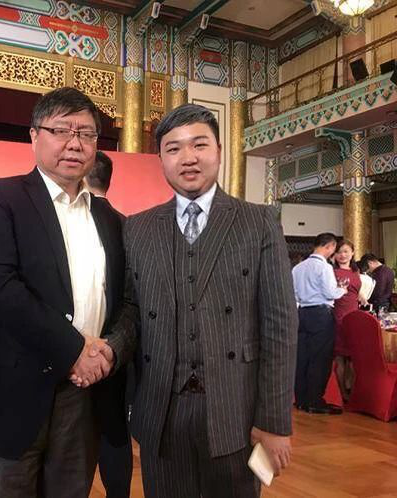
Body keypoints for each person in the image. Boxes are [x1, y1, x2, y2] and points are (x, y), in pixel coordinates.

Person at [0, 87, 130, 498]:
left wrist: (106, 352)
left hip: (84, 393)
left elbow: (124, 300)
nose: (75, 143)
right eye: (61, 130)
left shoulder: (110, 219)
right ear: (34, 135)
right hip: (11, 388)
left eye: (86, 133)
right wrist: (74, 349)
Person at [114, 104, 298, 497]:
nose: (188, 157)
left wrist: (274, 421)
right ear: (161, 158)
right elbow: (131, 311)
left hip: (236, 410)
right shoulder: (138, 228)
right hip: (162, 411)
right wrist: (108, 350)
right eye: (174, 148)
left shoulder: (259, 222)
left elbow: (280, 328)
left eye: (199, 144)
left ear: (218, 150)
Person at [85, 150, 133, 498]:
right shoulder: (128, 225)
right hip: (116, 350)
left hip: (74, 354)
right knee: (115, 432)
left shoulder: (73, 222)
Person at [293, 232, 346, 415]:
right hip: (320, 314)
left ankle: (301, 400)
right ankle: (315, 400)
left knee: (302, 358)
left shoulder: (298, 267)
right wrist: (342, 290)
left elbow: (294, 294)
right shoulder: (324, 267)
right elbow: (330, 293)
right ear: (330, 246)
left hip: (302, 313)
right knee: (320, 358)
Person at [332, 240, 361, 402]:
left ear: (352, 253)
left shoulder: (356, 271)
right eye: (339, 252)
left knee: (353, 358)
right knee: (340, 357)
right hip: (339, 317)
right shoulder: (332, 272)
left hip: (355, 317)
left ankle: (351, 390)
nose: (342, 255)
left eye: (345, 251)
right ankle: (343, 393)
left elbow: (355, 292)